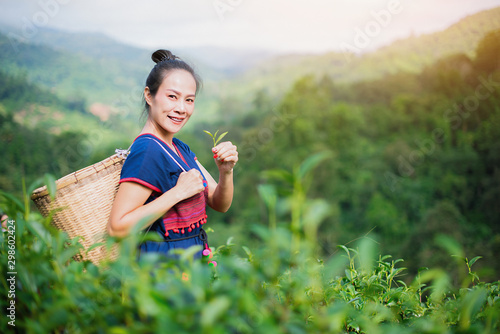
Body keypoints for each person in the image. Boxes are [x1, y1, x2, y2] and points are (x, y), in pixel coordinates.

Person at [107, 50, 238, 260]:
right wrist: (178, 193)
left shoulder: (179, 148)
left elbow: (219, 203)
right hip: (161, 275)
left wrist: (226, 171)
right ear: (149, 96)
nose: (181, 108)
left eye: (189, 100)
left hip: (187, 272)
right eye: (172, 97)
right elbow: (117, 228)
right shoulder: (147, 150)